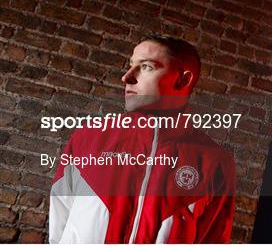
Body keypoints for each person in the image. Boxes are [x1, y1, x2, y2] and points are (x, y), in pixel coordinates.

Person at [49, 35, 236, 243]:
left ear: (183, 79)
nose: (127, 77)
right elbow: (59, 217)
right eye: (131, 65)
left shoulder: (216, 163)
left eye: (146, 67)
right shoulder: (89, 137)